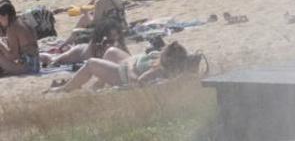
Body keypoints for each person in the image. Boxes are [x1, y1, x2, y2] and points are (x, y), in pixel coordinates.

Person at [48, 41, 194, 92]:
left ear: (168, 58)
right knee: (111, 51)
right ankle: (99, 83)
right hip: (130, 62)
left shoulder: (158, 70)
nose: (162, 50)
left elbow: (140, 81)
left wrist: (129, 67)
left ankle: (64, 89)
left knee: (91, 63)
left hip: (125, 74)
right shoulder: (160, 61)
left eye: (165, 51)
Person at [0, 0, 40, 76]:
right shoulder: (25, 20)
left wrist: (1, 45)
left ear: (6, 16)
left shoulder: (12, 28)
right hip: (36, 64)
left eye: (0, 18)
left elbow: (13, 56)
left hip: (27, 68)